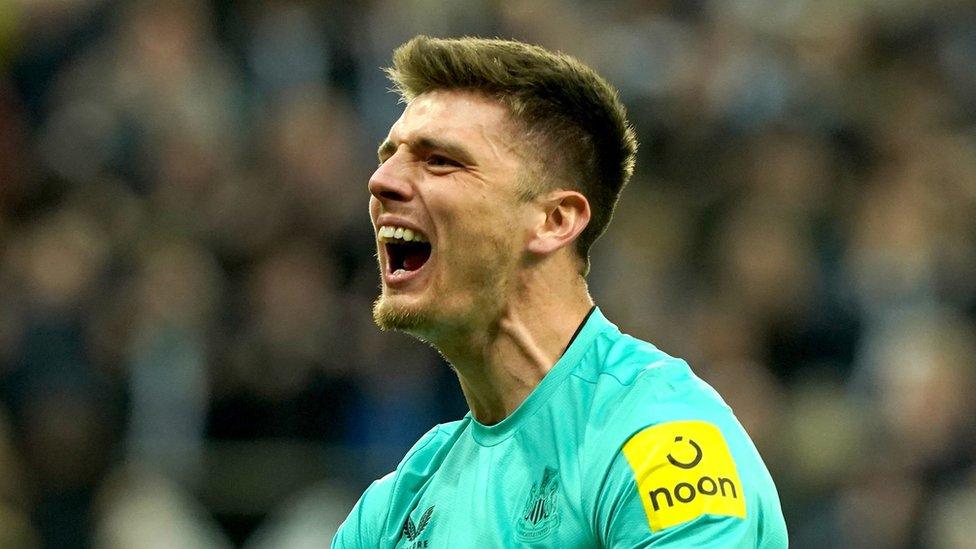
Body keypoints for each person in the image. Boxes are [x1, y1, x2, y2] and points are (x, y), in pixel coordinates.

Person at [332, 35, 787, 548]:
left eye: (440, 161)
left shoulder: (661, 443)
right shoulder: (400, 503)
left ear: (554, 220)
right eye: (389, 156)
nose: (381, 181)